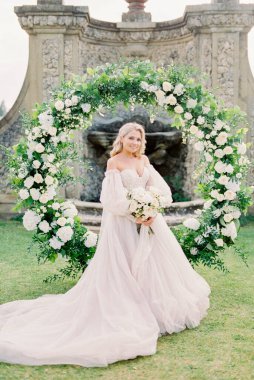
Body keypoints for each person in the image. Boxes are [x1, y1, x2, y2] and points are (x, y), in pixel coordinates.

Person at [0, 122, 210, 367]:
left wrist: (152, 207)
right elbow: (111, 199)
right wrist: (135, 213)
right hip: (122, 224)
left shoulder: (144, 162)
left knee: (152, 264)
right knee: (127, 266)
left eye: (138, 139)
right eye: (130, 138)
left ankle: (154, 309)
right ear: (122, 139)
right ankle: (128, 310)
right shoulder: (115, 163)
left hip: (150, 221)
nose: (135, 142)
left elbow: (162, 190)